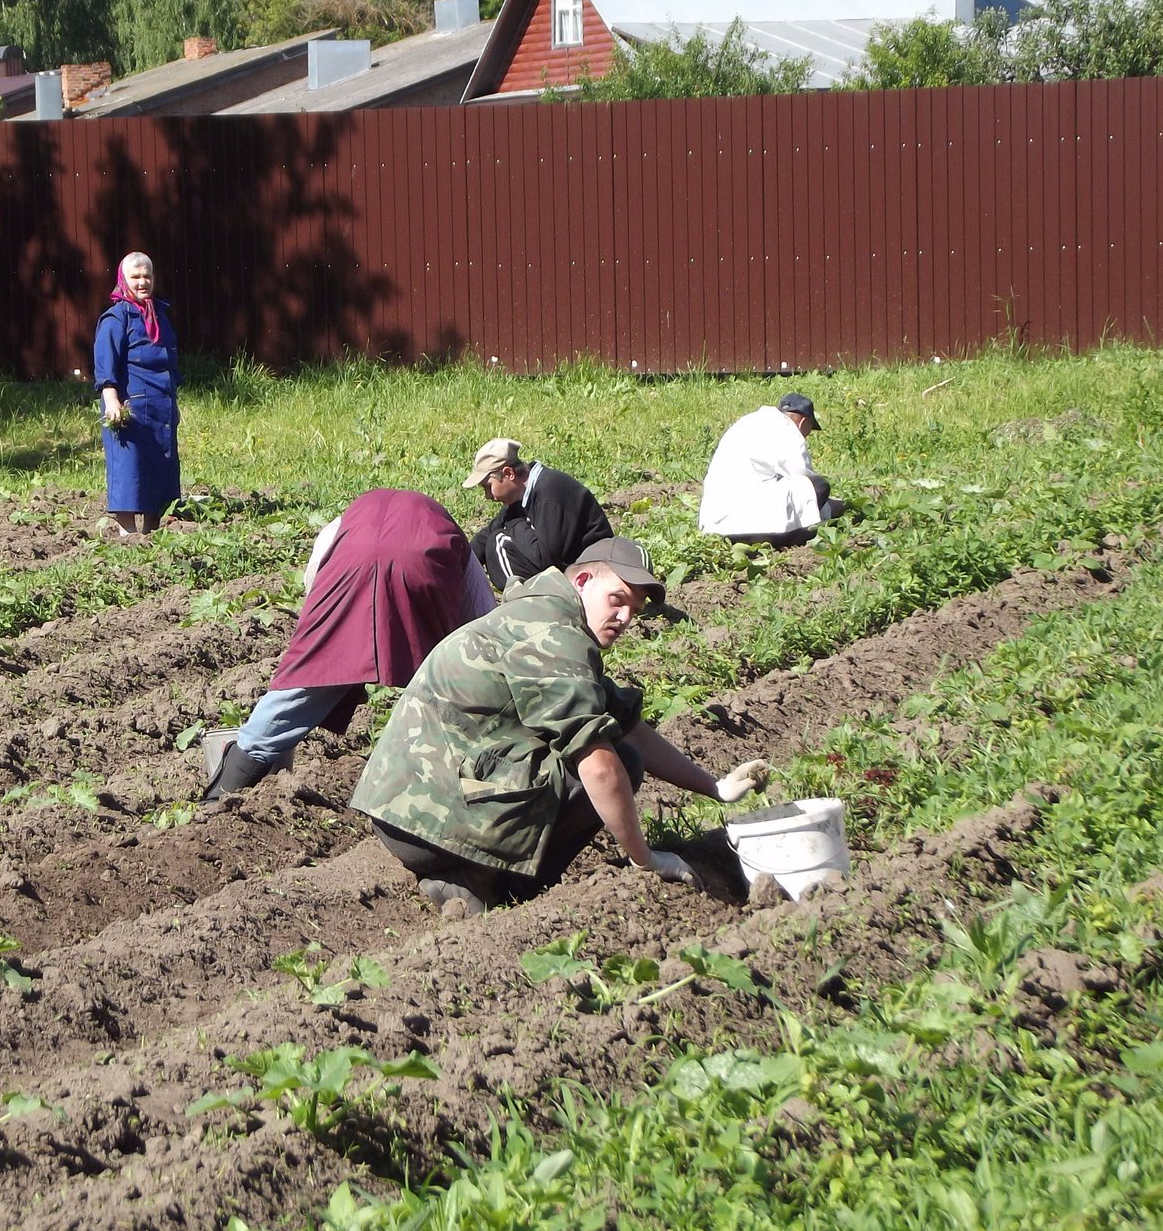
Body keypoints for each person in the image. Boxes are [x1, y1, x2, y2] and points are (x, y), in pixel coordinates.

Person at [351, 537, 770, 916]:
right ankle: (498, 885)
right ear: (584, 580)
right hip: (427, 822)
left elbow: (627, 724)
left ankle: (467, 875)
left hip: (401, 811)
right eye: (617, 599)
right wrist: (647, 859)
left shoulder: (542, 610)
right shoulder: (553, 636)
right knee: (615, 764)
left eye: (634, 610)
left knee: (617, 748)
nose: (624, 617)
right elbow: (601, 767)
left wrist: (714, 788)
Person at [203, 489, 497, 804]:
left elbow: (314, 582)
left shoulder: (339, 525)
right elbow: (484, 622)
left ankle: (229, 784)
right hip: (424, 566)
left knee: (315, 670)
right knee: (445, 674)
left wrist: (324, 644)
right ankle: (450, 779)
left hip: (350, 562)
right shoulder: (448, 531)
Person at [94, 251, 181, 535]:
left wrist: (173, 404)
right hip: (130, 408)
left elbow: (169, 361)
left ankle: (151, 532)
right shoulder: (116, 318)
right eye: (135, 277)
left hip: (160, 406)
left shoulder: (160, 315)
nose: (142, 282)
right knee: (129, 469)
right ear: (123, 279)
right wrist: (111, 399)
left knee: (159, 467)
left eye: (147, 276)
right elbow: (106, 363)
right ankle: (128, 534)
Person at [698, 392, 849, 546]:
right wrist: (837, 507)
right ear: (803, 422)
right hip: (749, 524)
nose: (805, 436)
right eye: (808, 431)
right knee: (819, 485)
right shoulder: (789, 430)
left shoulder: (748, 422)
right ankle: (778, 538)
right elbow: (805, 480)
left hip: (716, 522)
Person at [465, 438, 614, 591]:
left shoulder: (549, 492)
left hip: (597, 576)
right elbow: (487, 534)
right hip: (576, 570)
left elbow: (546, 559)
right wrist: (461, 563)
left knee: (498, 542)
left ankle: (525, 603)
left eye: (488, 487)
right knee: (495, 537)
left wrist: (514, 523)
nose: (488, 496)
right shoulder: (526, 491)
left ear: (509, 473)